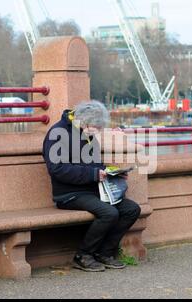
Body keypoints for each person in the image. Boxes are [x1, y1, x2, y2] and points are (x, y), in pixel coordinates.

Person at [42, 100, 141, 272]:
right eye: (95, 126)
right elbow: (57, 169)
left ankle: (105, 253)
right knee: (109, 213)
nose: (97, 131)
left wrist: (110, 172)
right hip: (68, 193)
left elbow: (94, 164)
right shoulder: (57, 133)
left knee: (132, 209)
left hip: (92, 190)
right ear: (84, 121)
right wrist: (93, 174)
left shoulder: (86, 134)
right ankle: (83, 255)